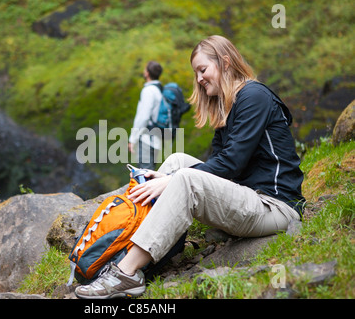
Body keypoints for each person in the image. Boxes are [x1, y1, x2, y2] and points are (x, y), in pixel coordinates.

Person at [75, 35, 305, 299]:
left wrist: (172, 182)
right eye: (196, 72)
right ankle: (138, 243)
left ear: (226, 63)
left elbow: (230, 163)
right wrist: (168, 176)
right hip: (247, 196)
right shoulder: (227, 104)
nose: (198, 79)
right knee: (177, 162)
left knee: (183, 177)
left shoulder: (254, 96)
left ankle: (126, 273)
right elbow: (217, 163)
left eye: (203, 70)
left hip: (275, 206)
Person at [128, 61, 164, 170]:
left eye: (145, 70)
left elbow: (143, 117)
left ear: (147, 73)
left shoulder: (148, 91)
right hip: (156, 139)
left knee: (145, 174)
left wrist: (132, 139)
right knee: (150, 172)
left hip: (147, 139)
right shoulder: (160, 89)